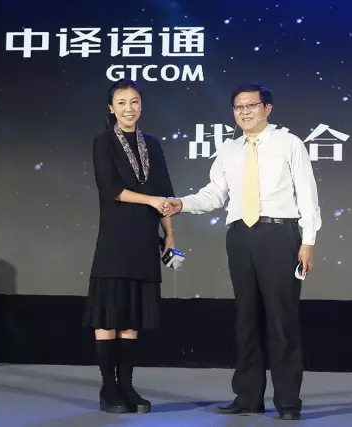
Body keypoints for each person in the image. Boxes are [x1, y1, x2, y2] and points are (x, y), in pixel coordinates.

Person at [162, 83, 321, 421]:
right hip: (239, 236)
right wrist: (181, 204)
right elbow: (214, 194)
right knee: (246, 317)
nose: (244, 112)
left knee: (281, 319)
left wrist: (308, 241)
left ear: (267, 108)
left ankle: (288, 402)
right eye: (238, 107)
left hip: (279, 234)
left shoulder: (289, 143)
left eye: (251, 105)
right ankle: (248, 397)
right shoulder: (229, 150)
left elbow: (307, 195)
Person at [83, 79, 175, 414]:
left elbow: (166, 193)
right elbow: (111, 189)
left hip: (144, 238)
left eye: (134, 101)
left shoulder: (153, 144)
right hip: (115, 237)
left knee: (131, 317)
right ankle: (108, 388)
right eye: (121, 102)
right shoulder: (103, 141)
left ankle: (126, 386)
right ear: (112, 108)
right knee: (109, 314)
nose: (128, 108)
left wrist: (170, 235)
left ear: (141, 105)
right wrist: (151, 200)